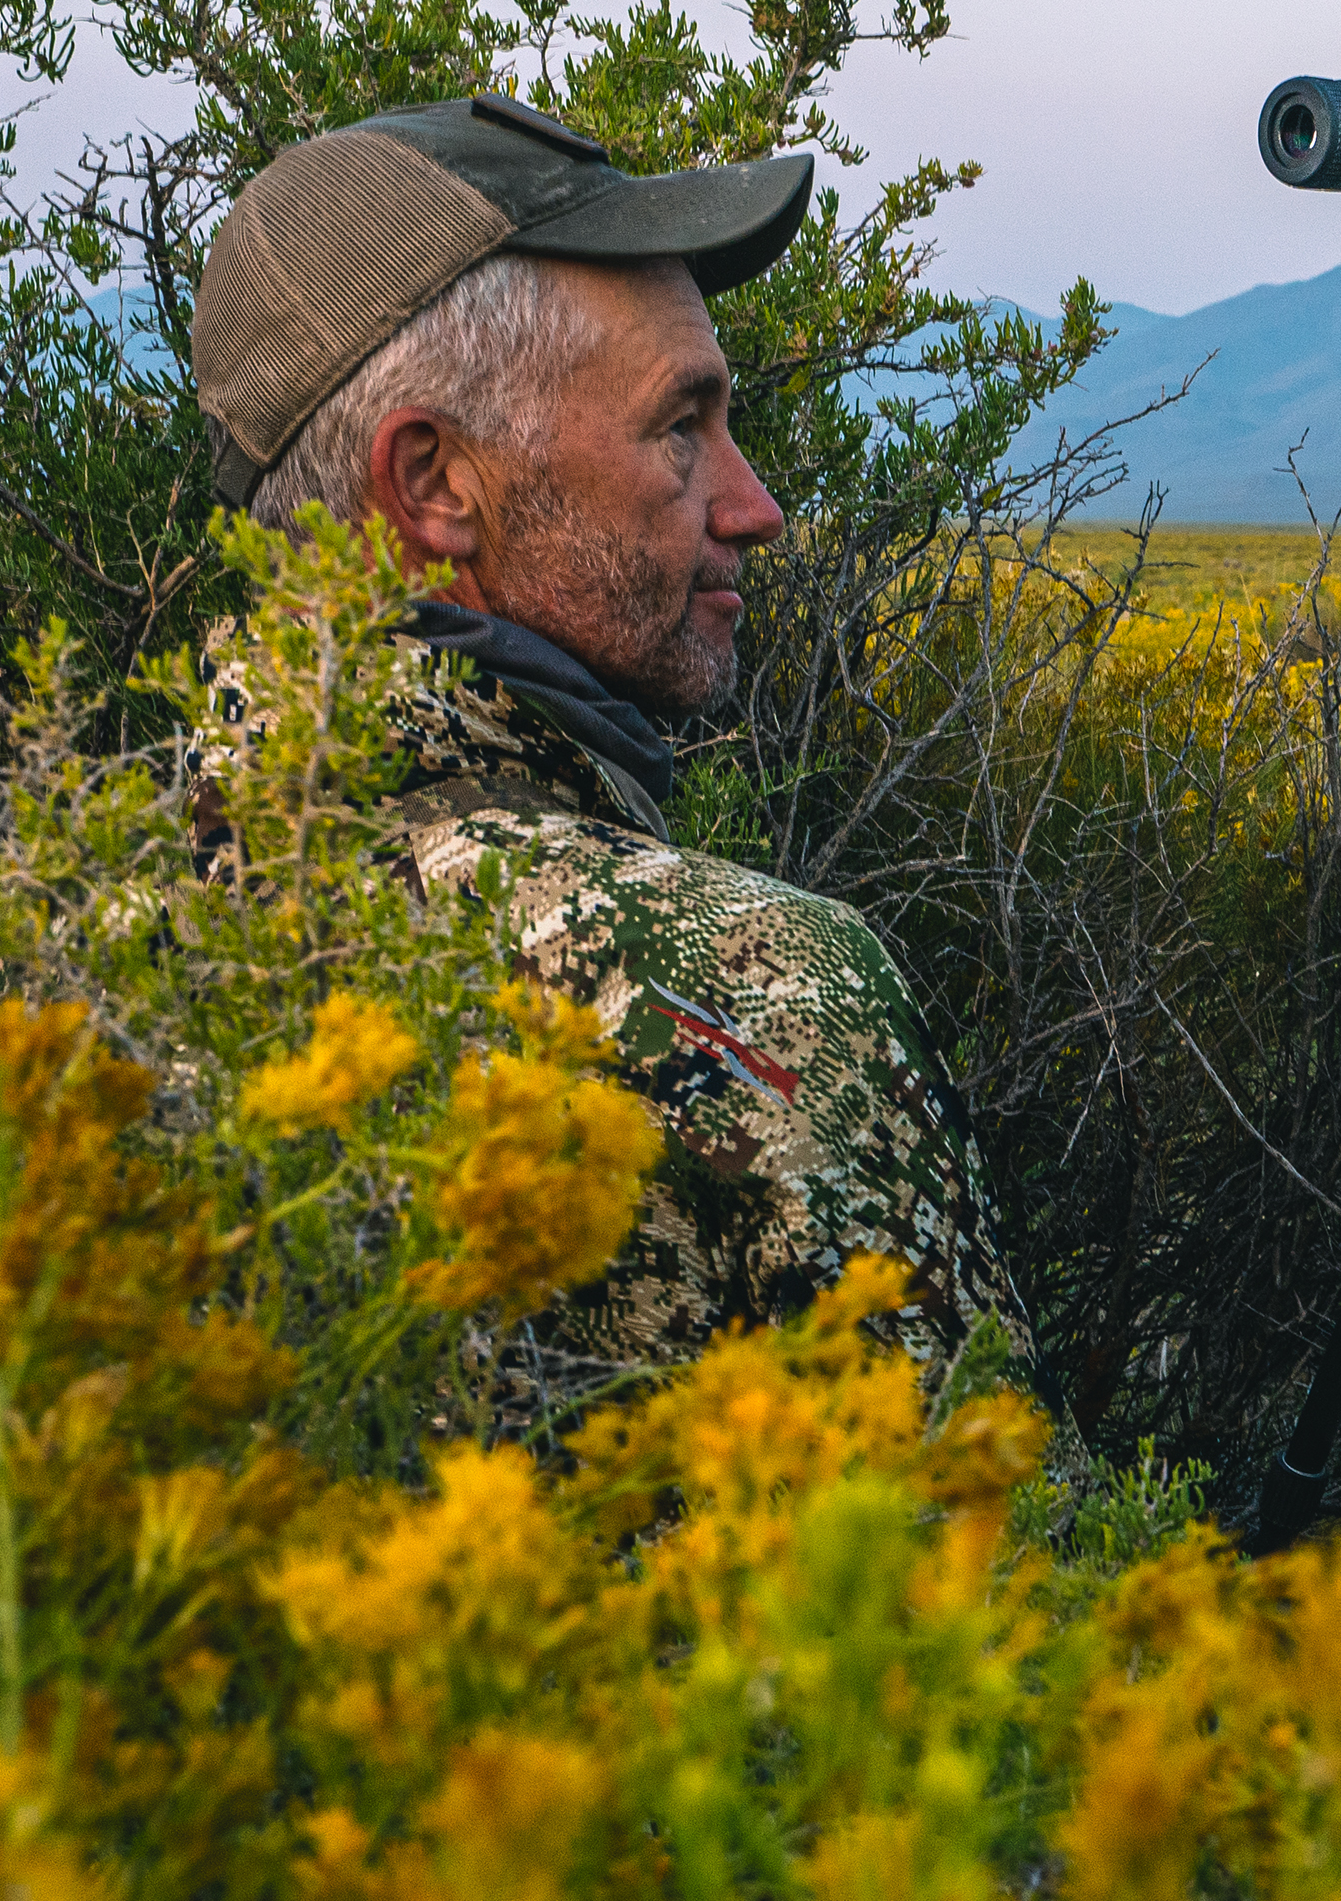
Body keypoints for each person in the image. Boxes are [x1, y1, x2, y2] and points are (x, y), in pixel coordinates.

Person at [186, 92, 1016, 1408]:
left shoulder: (78, 934)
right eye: (681, 427)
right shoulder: (751, 982)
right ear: (437, 483)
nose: (756, 506)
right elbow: (993, 1552)